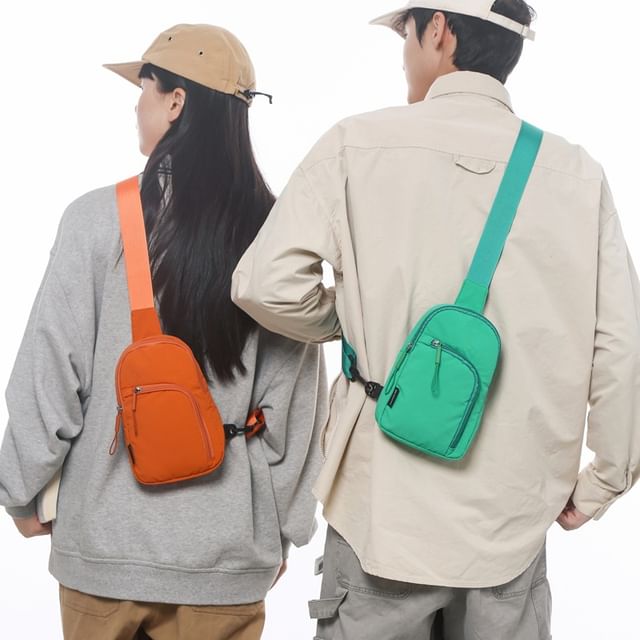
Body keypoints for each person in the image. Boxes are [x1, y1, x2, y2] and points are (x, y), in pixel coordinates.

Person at [230, 1, 640, 638]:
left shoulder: (355, 145)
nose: (403, 51)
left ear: (440, 30)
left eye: (406, 31)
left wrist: (353, 321)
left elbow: (263, 285)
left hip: (382, 514)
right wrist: (603, 482)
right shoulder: (577, 174)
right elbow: (620, 344)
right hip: (511, 524)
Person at [0, 23, 327, 640]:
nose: (136, 105)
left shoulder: (94, 220)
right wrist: (283, 529)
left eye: (145, 88)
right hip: (225, 557)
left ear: (176, 101)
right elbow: (296, 406)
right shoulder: (277, 234)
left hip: (104, 551)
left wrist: (20, 490)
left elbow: (50, 374)